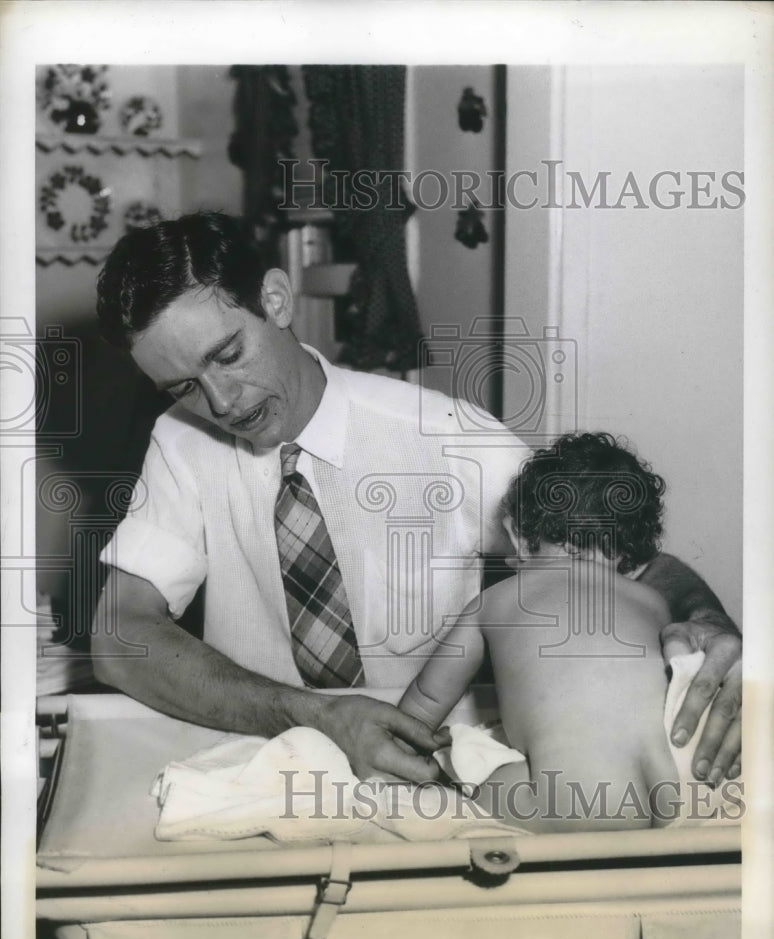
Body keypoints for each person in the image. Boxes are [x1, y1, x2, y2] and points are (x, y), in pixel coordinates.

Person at [91, 212, 742, 784]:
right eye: (184, 387)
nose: (222, 402)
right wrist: (310, 715)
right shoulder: (181, 442)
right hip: (264, 757)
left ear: (276, 299)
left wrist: (708, 622)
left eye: (229, 354)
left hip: (431, 765)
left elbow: (625, 561)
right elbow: (121, 637)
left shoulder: (447, 436)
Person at [399, 432, 718, 829]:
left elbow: (427, 698)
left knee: (465, 771)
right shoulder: (651, 600)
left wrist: (401, 747)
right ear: (626, 553)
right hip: (678, 789)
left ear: (517, 534)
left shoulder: (492, 602)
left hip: (573, 803)